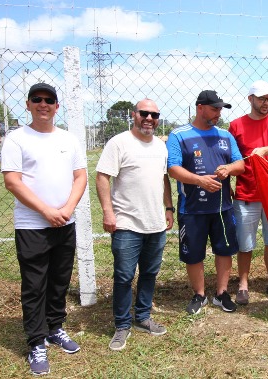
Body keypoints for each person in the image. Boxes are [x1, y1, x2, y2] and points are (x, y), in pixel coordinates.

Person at [0, 82, 87, 375]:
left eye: (49, 100)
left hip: (65, 222)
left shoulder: (69, 139)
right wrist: (46, 211)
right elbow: (13, 181)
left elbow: (80, 177)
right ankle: (36, 341)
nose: (43, 104)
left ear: (57, 106)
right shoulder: (16, 139)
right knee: (35, 285)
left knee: (59, 281)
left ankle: (55, 328)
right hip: (32, 226)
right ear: (28, 104)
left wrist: (66, 210)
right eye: (37, 99)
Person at [96, 98, 174, 351]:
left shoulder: (161, 148)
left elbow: (164, 180)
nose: (149, 118)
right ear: (134, 114)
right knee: (124, 276)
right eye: (144, 113)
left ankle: (142, 317)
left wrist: (169, 208)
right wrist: (109, 212)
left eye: (154, 114)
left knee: (150, 273)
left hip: (155, 223)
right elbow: (102, 177)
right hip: (127, 224)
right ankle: (122, 325)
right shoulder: (119, 143)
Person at [167, 90, 245, 315]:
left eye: (220, 109)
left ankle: (221, 294)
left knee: (224, 250)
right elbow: (173, 168)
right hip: (192, 208)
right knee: (194, 253)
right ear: (199, 108)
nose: (218, 113)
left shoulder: (225, 135)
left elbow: (240, 164)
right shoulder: (178, 135)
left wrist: (228, 168)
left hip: (222, 208)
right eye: (214, 109)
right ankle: (199, 295)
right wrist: (199, 181)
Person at [228, 80, 268, 305]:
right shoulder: (236, 126)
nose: (266, 103)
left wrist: (263, 150)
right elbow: (231, 156)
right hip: (247, 193)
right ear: (250, 99)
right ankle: (243, 284)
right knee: (245, 243)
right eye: (262, 99)